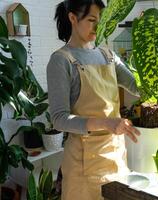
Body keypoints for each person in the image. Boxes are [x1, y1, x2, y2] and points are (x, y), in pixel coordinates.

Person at [46, 0, 140, 199]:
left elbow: (137, 86)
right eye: (91, 20)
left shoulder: (108, 55)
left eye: (101, 20)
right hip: (83, 164)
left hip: (115, 155)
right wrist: (106, 122)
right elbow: (59, 119)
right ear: (73, 18)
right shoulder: (61, 60)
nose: (98, 27)